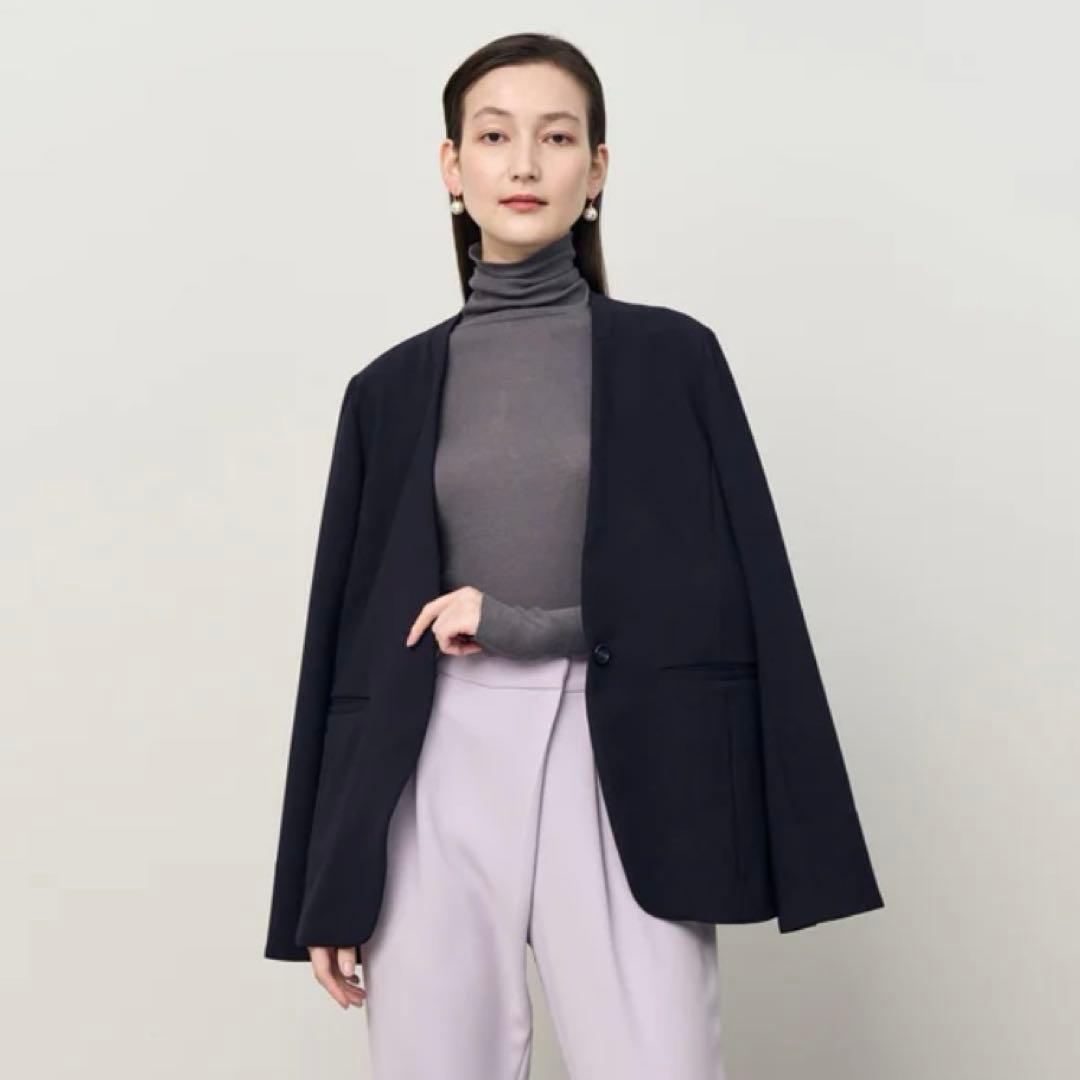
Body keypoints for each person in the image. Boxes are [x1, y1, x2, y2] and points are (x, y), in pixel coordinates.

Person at [265, 31, 883, 1080]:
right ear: (451, 165)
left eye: (556, 138)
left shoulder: (671, 358)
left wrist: (519, 624)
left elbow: (726, 601)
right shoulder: (387, 391)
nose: (523, 163)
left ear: (596, 170)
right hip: (433, 754)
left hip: (624, 748)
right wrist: (324, 880)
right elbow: (345, 650)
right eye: (493, 136)